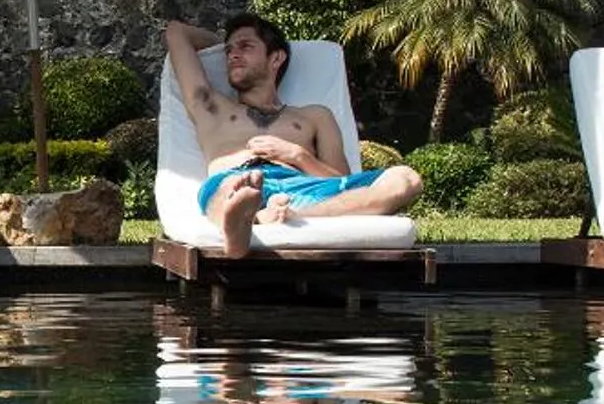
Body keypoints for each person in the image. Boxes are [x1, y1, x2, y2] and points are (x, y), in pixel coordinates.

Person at [164, 13, 421, 260]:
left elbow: (341, 180)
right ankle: (238, 222)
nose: (233, 55)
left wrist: (297, 155)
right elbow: (176, 32)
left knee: (406, 179)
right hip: (234, 178)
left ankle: (281, 216)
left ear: (276, 58)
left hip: (303, 190)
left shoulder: (315, 116)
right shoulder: (211, 107)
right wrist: (217, 46)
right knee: (231, 191)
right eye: (229, 50)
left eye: (245, 46)